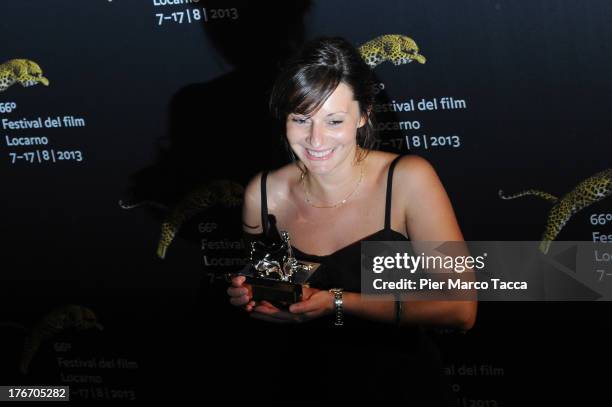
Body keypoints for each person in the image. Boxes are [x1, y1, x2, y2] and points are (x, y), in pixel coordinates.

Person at [226, 36, 477, 405]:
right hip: (301, 385)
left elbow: (460, 310)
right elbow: (273, 285)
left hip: (403, 388)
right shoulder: (263, 194)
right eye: (301, 119)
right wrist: (250, 296)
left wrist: (335, 302)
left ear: (363, 115)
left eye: (334, 120)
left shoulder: (407, 179)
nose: (316, 139)